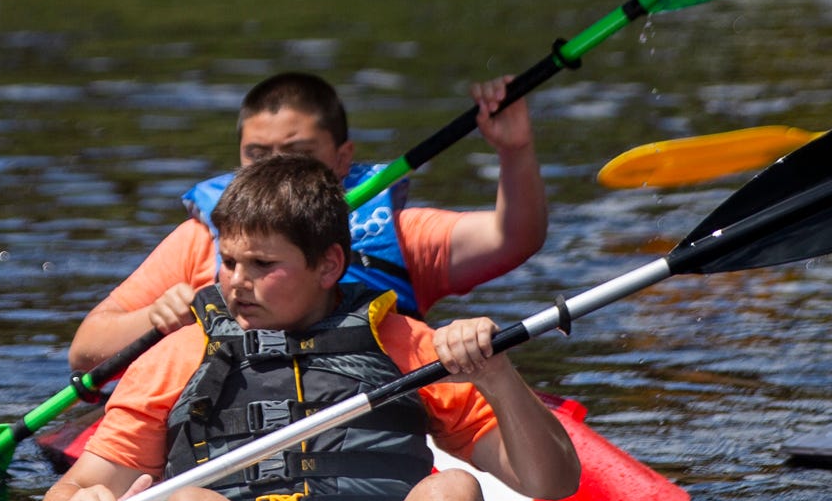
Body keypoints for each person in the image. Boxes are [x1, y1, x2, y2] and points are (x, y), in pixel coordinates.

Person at [40, 155, 577, 501]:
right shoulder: (178, 356)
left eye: (263, 265)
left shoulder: (409, 347)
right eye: (228, 262)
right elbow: (73, 490)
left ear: (328, 266)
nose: (235, 282)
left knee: (453, 490)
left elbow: (553, 483)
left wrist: (498, 377)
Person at [68, 70, 543, 374]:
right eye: (257, 156)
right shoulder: (200, 243)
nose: (274, 167)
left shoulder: (396, 232)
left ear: (342, 158)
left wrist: (514, 150)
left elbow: (514, 238)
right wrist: (153, 320)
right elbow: (86, 350)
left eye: (297, 154)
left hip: (377, 407)